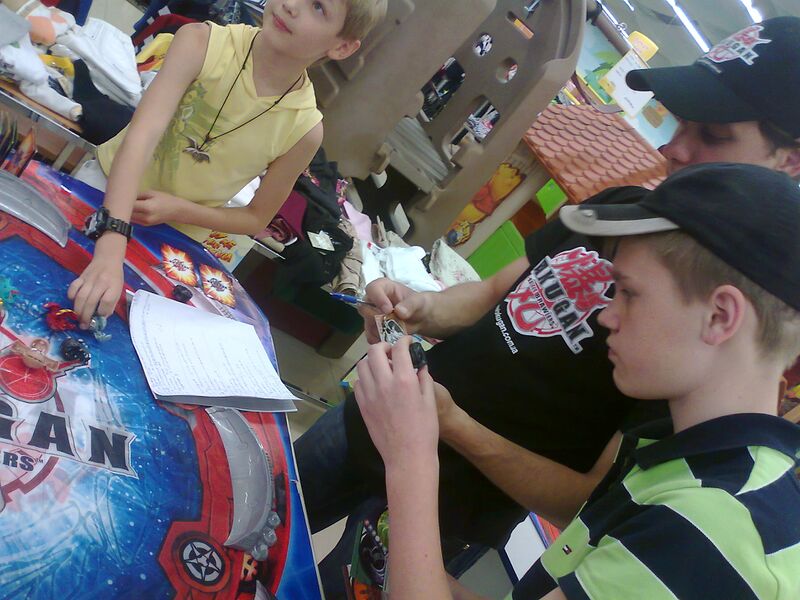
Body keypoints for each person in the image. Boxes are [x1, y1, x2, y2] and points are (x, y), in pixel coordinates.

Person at [294, 16, 800, 597]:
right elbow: (495, 293)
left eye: (713, 135)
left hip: (452, 498)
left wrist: (443, 428)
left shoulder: (699, 385)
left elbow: (583, 497)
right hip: (384, 420)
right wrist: (418, 307)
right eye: (680, 121)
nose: (674, 147)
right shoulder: (619, 213)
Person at [356, 163, 800, 599]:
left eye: (629, 293)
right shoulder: (687, 464)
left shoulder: (709, 531)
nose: (607, 316)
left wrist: (410, 456)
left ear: (719, 316)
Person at [68, 0, 387, 326]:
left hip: (174, 243)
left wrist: (177, 210)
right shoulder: (200, 42)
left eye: (318, 7)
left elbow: (256, 217)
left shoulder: (304, 129)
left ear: (342, 46)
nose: (291, 5)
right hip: (105, 193)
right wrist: (112, 239)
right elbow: (141, 137)